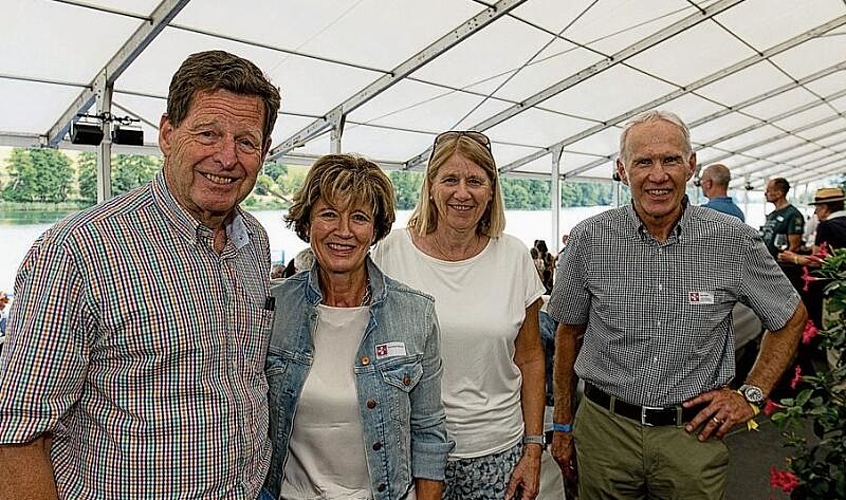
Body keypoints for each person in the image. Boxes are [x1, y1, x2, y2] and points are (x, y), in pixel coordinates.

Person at [0, 50, 281, 498]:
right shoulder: (77, 252)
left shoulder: (253, 241)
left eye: (246, 142)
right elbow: (18, 434)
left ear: (264, 152)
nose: (227, 158)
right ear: (168, 134)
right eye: (208, 134)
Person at [548, 110, 807, 499]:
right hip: (605, 433)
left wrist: (750, 395)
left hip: (692, 437)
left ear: (691, 166)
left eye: (670, 159)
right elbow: (569, 333)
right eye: (643, 162)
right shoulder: (589, 240)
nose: (657, 175)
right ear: (622, 170)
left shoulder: (732, 240)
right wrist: (564, 426)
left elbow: (790, 317)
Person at [261, 154, 452, 500]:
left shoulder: (414, 314)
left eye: (359, 218)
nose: (343, 231)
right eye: (329, 214)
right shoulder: (273, 309)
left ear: (376, 230)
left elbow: (429, 432)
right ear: (307, 223)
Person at [372, 130, 546, 500]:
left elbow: (530, 357)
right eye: (450, 179)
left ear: (491, 190)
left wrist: (533, 449)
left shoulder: (513, 256)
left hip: (497, 451)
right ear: (431, 186)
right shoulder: (389, 253)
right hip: (409, 450)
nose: (462, 193)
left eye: (475, 181)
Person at [779, 187, 846, 267]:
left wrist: (793, 257)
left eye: (816, 207)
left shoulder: (825, 226)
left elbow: (816, 261)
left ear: (824, 208)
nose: (816, 211)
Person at [761, 177, 805, 256]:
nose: (765, 194)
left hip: (779, 264)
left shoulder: (793, 214)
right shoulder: (772, 214)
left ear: (779, 193)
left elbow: (794, 246)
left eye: (768, 191)